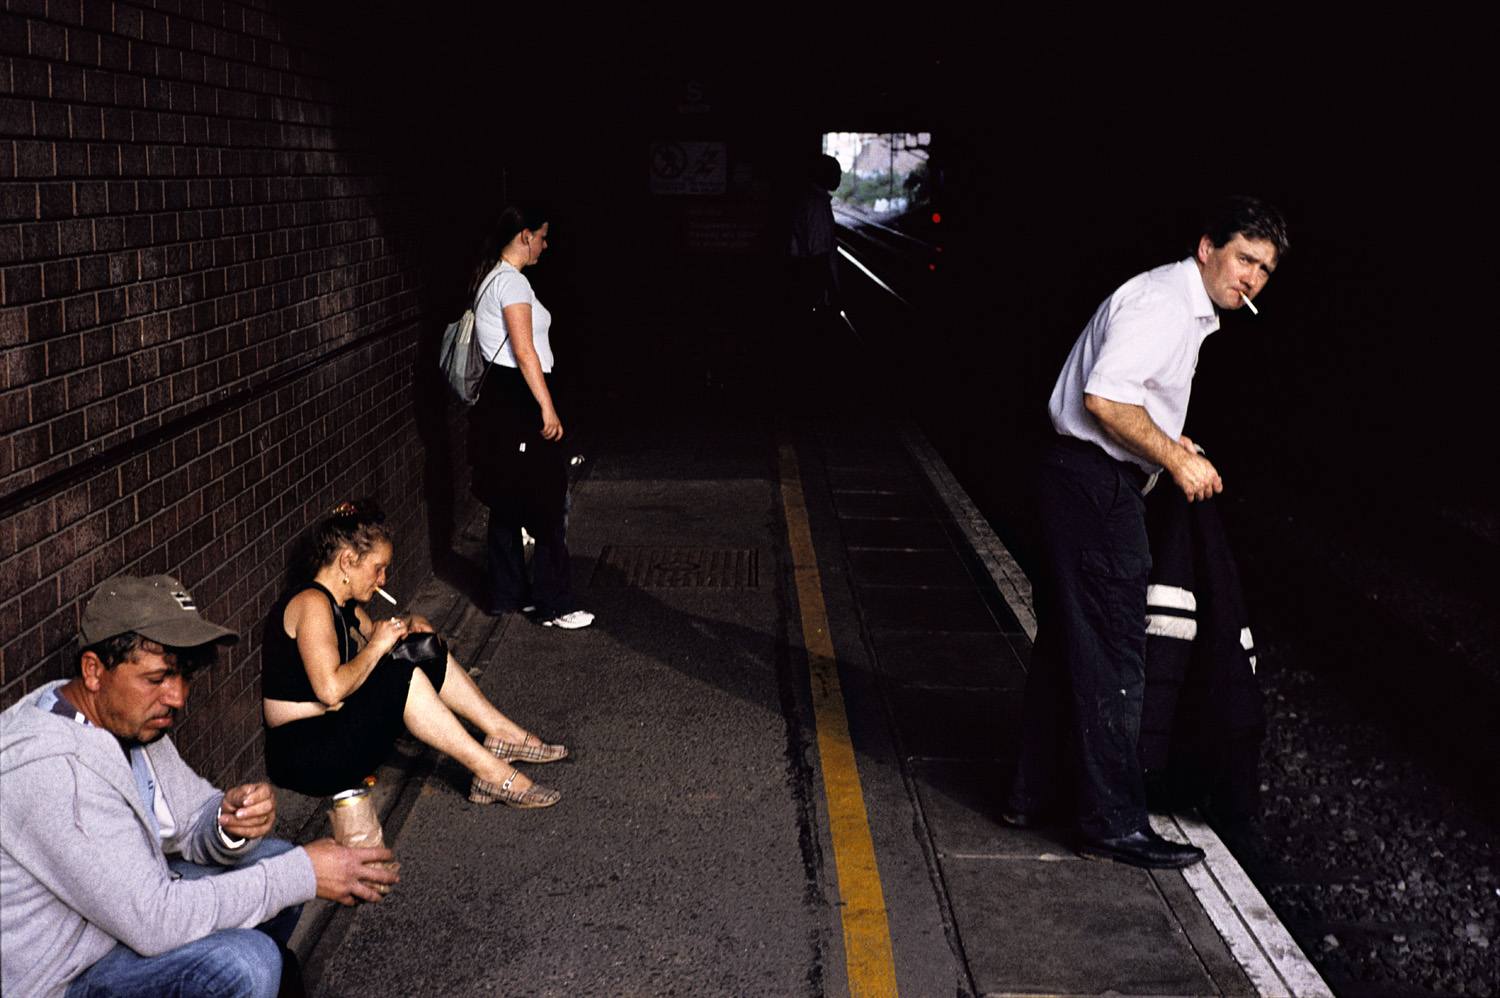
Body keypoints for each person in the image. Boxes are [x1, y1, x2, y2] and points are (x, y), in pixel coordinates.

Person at [1003, 196, 1289, 868]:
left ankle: (1029, 794)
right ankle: (1112, 822)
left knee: (1070, 649)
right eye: (1244, 257)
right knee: (1114, 657)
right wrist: (1176, 457)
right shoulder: (1166, 303)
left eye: (1265, 270)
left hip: (1078, 479)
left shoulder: (1179, 306)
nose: (1250, 278)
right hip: (1094, 488)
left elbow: (1128, 396)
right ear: (1206, 248)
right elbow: (1105, 398)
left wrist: (1163, 437)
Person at [1, 574, 399, 998]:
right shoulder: (56, 772)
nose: (177, 697)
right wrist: (303, 874)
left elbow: (191, 819)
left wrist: (228, 822)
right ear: (94, 671)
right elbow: (154, 920)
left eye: (183, 676)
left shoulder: (125, 721)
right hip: (65, 976)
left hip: (115, 923)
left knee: (276, 857)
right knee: (248, 962)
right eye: (157, 679)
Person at [262, 500, 566, 809]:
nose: (382, 580)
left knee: (422, 649)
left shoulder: (344, 603)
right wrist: (379, 645)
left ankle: (504, 735)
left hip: (334, 734)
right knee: (400, 676)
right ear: (348, 560)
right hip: (306, 755)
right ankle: (492, 773)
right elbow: (330, 689)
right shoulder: (311, 604)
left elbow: (377, 638)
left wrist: (407, 627)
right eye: (378, 568)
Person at [467, 203, 594, 629]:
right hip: (521, 399)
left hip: (499, 402)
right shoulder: (512, 284)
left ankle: (508, 595)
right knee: (549, 498)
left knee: (508, 498)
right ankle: (554, 603)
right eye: (541, 236)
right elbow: (525, 352)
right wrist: (547, 406)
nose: (545, 243)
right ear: (523, 236)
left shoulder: (489, 280)